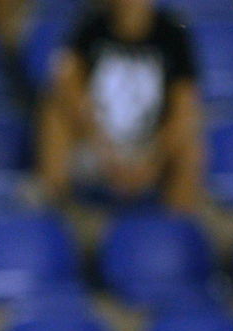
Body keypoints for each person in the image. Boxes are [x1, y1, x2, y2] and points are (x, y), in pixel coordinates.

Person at [37, 0, 204, 214]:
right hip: (96, 141)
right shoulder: (91, 28)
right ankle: (56, 211)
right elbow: (68, 87)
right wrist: (102, 149)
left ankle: (176, 224)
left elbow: (184, 105)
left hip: (150, 146)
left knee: (190, 140)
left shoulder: (173, 34)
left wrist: (152, 162)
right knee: (54, 114)